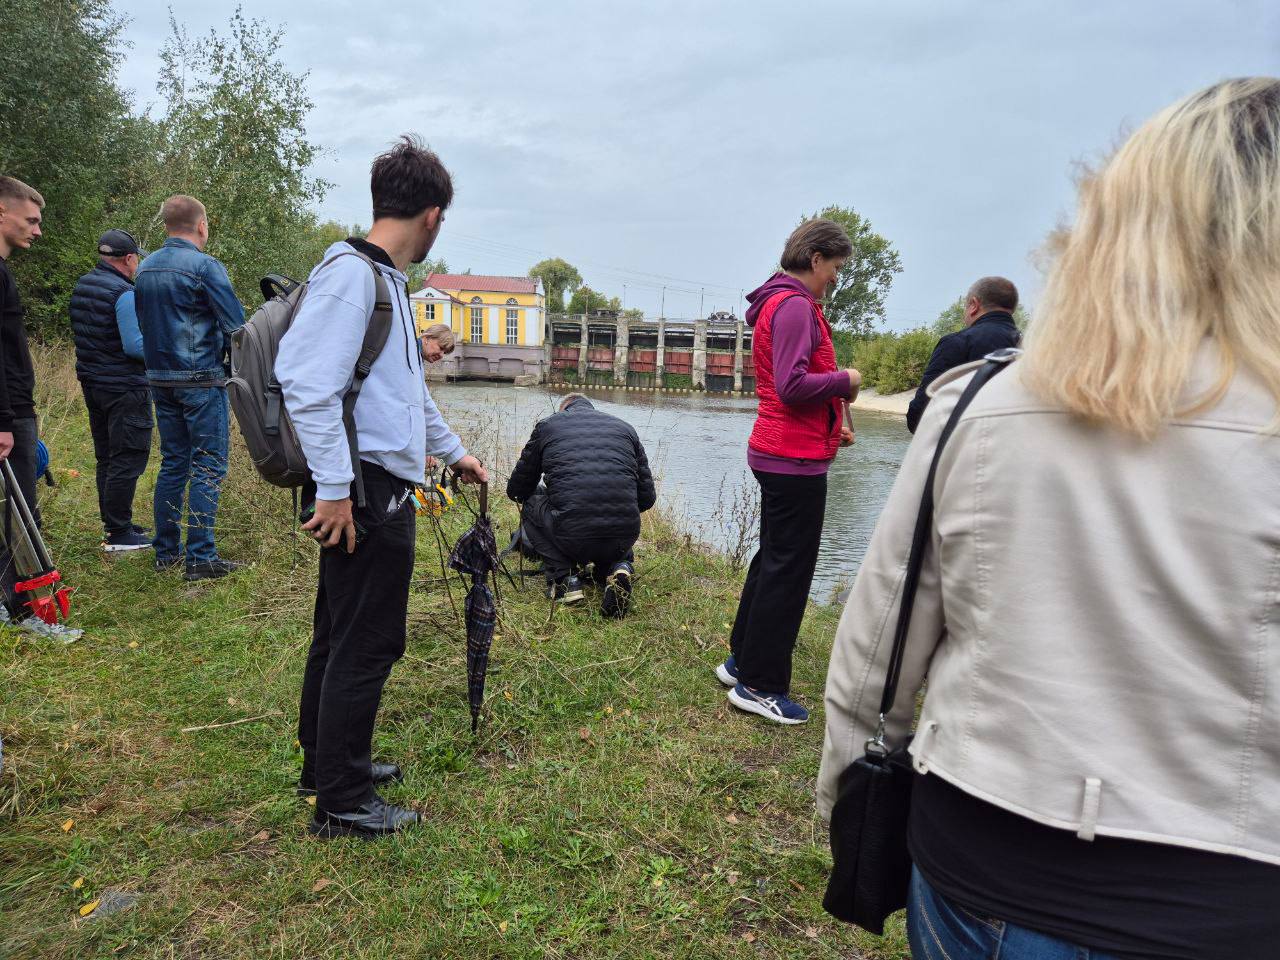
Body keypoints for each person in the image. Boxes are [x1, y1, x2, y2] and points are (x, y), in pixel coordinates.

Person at [819, 78, 1280, 960]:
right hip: (1227, 904)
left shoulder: (981, 404)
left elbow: (878, 647)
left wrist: (849, 796)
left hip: (976, 863)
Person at [276, 136, 487, 838]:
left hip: (372, 482)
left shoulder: (386, 284)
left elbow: (403, 394)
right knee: (367, 641)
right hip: (362, 490)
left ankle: (327, 765)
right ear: (433, 215)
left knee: (339, 631)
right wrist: (335, 488)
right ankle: (341, 800)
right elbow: (306, 385)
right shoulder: (350, 278)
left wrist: (454, 454)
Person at [718, 219, 859, 725]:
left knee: (774, 558)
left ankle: (742, 662)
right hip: (793, 460)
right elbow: (793, 384)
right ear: (816, 258)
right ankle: (761, 684)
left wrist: (832, 421)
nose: (836, 279)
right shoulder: (796, 305)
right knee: (789, 571)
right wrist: (848, 380)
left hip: (784, 450)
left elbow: (791, 389)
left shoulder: (779, 302)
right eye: (836, 268)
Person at [134, 195, 245, 581]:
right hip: (200, 379)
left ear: (166, 224)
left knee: (173, 462)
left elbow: (143, 322)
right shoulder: (204, 266)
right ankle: (201, 556)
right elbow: (236, 325)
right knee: (208, 465)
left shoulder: (144, 268)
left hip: (158, 378)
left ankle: (166, 552)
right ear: (202, 225)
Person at [0, 176, 82, 642]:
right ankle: (27, 613)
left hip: (13, 412)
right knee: (18, 512)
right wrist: (4, 421)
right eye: (31, 220)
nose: (38, 230)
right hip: (10, 416)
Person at [506, 394, 656, 617]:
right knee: (614, 510)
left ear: (563, 408)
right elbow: (646, 499)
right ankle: (618, 568)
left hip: (572, 535)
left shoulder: (548, 426)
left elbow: (517, 491)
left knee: (531, 501)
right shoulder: (626, 428)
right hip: (623, 537)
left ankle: (565, 579)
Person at [68, 229, 154, 552]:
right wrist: (163, 351)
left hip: (93, 384)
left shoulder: (84, 284)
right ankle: (119, 534)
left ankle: (115, 523)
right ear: (129, 259)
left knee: (106, 455)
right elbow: (135, 346)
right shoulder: (124, 293)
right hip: (123, 387)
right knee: (128, 456)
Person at [905, 277, 1021, 433]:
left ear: (974, 305)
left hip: (964, 446)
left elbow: (919, 415)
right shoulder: (1031, 349)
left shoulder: (956, 343)